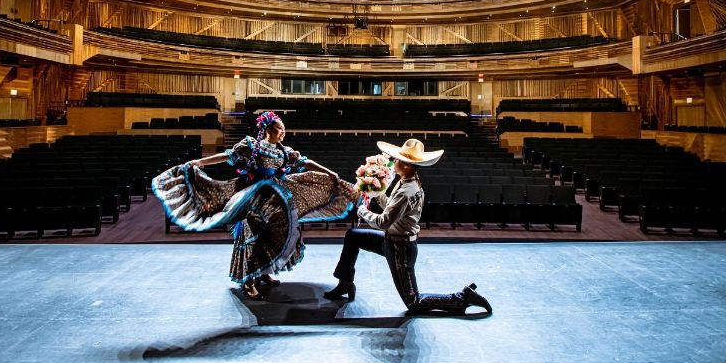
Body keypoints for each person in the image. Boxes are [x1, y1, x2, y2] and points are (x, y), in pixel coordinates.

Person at [152, 111, 359, 300]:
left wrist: (329, 172)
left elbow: (305, 162)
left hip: (277, 198)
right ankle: (249, 281)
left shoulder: (284, 152)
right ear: (268, 129)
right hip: (254, 197)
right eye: (280, 129)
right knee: (254, 236)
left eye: (284, 130)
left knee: (274, 233)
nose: (283, 133)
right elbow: (227, 156)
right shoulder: (252, 146)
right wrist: (200, 162)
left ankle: (264, 272)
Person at [325, 138, 493, 315]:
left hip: (401, 248)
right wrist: (375, 193)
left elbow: (384, 222)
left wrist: (361, 210)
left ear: (406, 165)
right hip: (391, 241)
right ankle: (345, 283)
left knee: (413, 301)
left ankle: (462, 298)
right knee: (353, 236)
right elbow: (393, 207)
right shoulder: (408, 181)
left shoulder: (407, 190)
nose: (393, 162)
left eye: (396, 159)